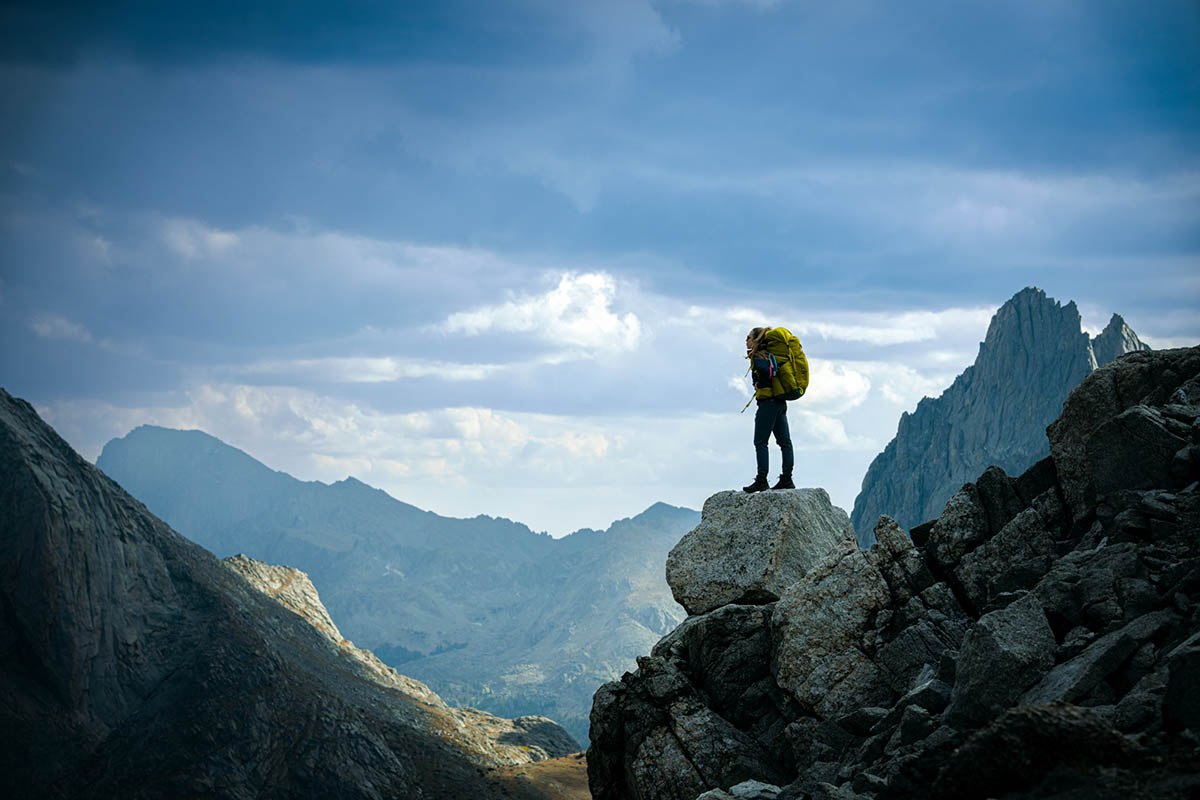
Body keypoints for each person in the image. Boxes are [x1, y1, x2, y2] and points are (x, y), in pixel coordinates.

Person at [743, 327, 795, 493]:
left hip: (767, 404)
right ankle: (787, 479)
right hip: (780, 402)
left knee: (760, 442)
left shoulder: (759, 355)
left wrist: (760, 383)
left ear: (756, 339)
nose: (746, 341)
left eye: (748, 337)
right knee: (785, 442)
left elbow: (766, 372)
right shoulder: (774, 355)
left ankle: (761, 479)